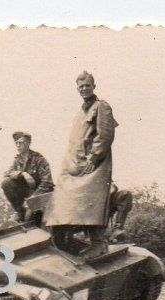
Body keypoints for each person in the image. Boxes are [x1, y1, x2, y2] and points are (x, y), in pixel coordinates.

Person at [44, 71, 118, 259]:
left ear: (94, 86)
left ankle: (98, 244)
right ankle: (64, 244)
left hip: (93, 166)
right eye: (81, 86)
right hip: (74, 167)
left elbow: (105, 135)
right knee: (63, 203)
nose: (84, 89)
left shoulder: (101, 106)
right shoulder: (80, 111)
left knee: (90, 203)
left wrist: (94, 157)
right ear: (77, 88)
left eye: (87, 85)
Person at [1, 131, 54, 221]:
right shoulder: (17, 160)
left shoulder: (39, 159)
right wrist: (22, 174)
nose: (18, 145)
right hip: (29, 193)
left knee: (28, 218)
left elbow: (47, 183)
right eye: (16, 143)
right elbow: (7, 173)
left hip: (42, 194)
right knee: (6, 183)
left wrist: (32, 199)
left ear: (28, 143)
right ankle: (19, 211)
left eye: (21, 143)